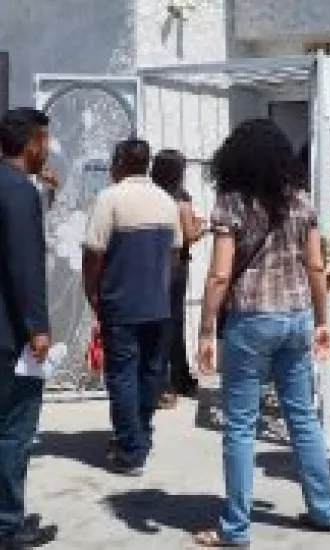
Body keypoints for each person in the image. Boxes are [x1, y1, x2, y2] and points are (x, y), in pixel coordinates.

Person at [194, 119, 330, 547]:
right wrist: (322, 320)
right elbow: (316, 265)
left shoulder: (232, 203)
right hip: (296, 316)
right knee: (303, 417)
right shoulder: (301, 201)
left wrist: (206, 331)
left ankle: (235, 528)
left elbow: (220, 275)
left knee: (240, 425)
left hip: (252, 318)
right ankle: (325, 509)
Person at [82, 139, 183, 475]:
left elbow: (93, 252)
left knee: (123, 374)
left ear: (120, 162)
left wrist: (91, 291)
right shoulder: (166, 200)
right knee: (151, 372)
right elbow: (174, 253)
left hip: (121, 303)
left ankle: (130, 450)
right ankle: (141, 435)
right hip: (158, 303)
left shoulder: (110, 198)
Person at [0, 108, 58, 548]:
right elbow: (24, 266)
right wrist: (37, 326)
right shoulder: (19, 191)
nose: (49, 149)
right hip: (8, 334)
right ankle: (7, 524)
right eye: (45, 140)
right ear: (32, 143)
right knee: (14, 429)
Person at [151, 149, 204, 408]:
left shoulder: (151, 196)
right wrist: (201, 227)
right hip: (175, 266)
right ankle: (175, 379)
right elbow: (189, 235)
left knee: (158, 323)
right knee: (173, 323)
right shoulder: (181, 199)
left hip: (151, 265)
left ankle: (166, 379)